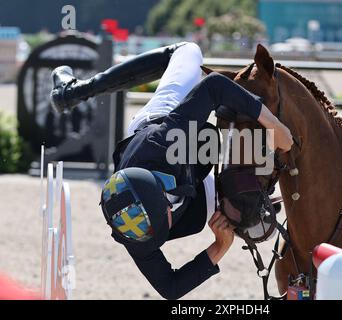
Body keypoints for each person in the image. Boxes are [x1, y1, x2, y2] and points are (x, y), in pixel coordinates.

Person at [50, 42, 293, 300]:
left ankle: (72, 92)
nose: (158, 236)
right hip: (190, 193)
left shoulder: (163, 140)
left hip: (167, 132)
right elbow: (170, 287)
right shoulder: (133, 232)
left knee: (189, 51)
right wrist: (220, 246)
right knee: (249, 218)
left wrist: (274, 124)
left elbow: (214, 87)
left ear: (164, 204)